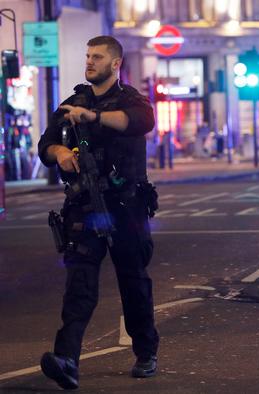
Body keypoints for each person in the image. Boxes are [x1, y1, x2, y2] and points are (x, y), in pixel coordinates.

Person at [37, 36, 159, 390]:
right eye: (88, 55)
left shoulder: (131, 100)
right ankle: (66, 360)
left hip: (126, 206)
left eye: (98, 57)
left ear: (116, 63)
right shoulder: (72, 102)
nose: (89, 62)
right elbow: (45, 145)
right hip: (85, 207)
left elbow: (141, 121)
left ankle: (146, 351)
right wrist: (59, 151)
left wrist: (93, 117)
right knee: (79, 285)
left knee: (133, 282)